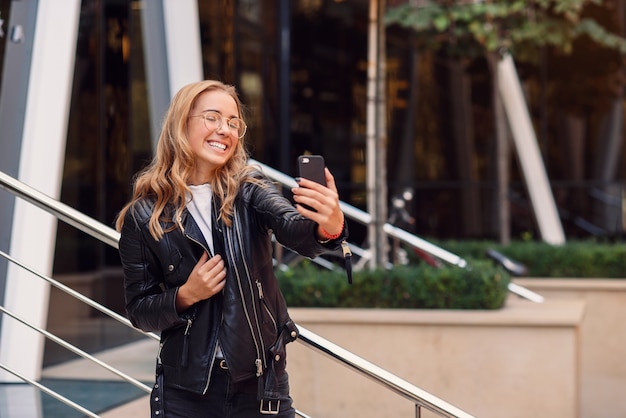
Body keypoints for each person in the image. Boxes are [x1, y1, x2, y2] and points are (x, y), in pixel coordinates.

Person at [115, 79, 347, 417]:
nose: (225, 129)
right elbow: (139, 309)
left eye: (233, 122)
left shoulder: (249, 190)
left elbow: (292, 227)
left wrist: (329, 225)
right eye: (212, 117)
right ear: (182, 124)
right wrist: (185, 295)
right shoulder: (143, 216)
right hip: (186, 392)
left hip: (260, 386)